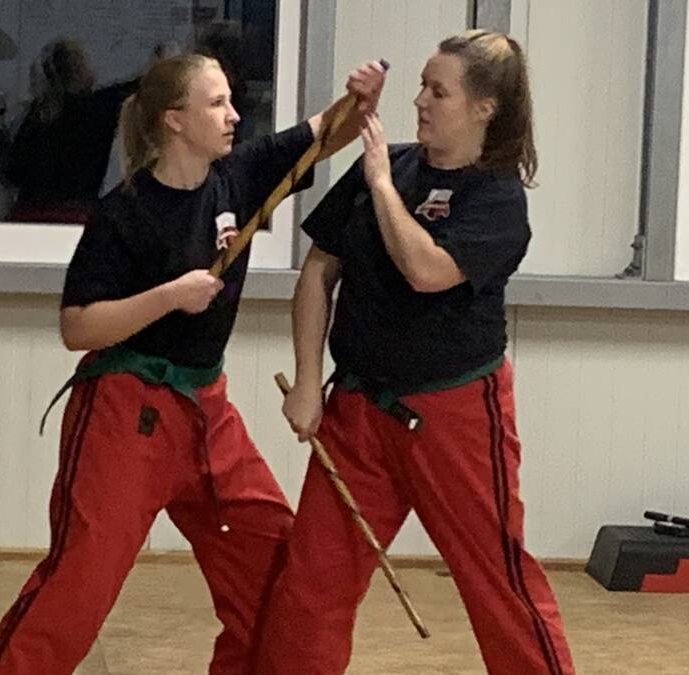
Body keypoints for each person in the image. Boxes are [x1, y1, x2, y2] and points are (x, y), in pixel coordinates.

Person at [0, 53, 386, 675]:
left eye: (231, 100)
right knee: (80, 587)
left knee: (272, 571)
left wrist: (362, 97)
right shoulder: (124, 212)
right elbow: (78, 327)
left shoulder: (239, 176)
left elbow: (328, 131)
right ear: (174, 120)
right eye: (216, 103)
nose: (234, 114)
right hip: (126, 409)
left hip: (207, 410)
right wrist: (168, 296)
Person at [257, 30, 576, 675]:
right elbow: (318, 271)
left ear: (484, 107)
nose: (420, 101)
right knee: (310, 587)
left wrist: (382, 185)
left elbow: (426, 271)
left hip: (452, 416)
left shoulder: (496, 198)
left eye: (439, 91)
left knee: (498, 583)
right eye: (422, 86)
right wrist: (309, 380)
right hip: (357, 409)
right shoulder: (390, 164)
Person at [0, 39, 139, 224]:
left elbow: (12, 173)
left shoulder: (36, 115)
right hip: (74, 219)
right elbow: (142, 86)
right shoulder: (97, 107)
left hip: (27, 217)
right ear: (82, 71)